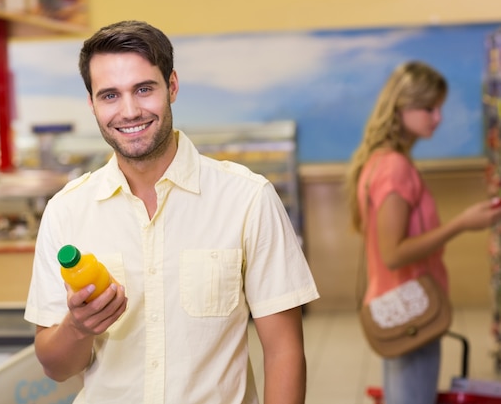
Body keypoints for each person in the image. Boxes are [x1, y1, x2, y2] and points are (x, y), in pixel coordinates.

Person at [24, 20, 320, 404]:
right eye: (109, 95)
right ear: (92, 103)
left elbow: (284, 352)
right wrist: (78, 328)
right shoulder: (66, 211)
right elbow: (56, 367)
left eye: (144, 89)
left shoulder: (248, 199)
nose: (129, 111)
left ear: (173, 87)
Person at [345, 60, 501, 404]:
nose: (438, 117)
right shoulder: (395, 167)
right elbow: (394, 252)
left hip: (395, 304)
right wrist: (461, 224)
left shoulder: (378, 161)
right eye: (429, 108)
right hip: (412, 309)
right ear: (401, 108)